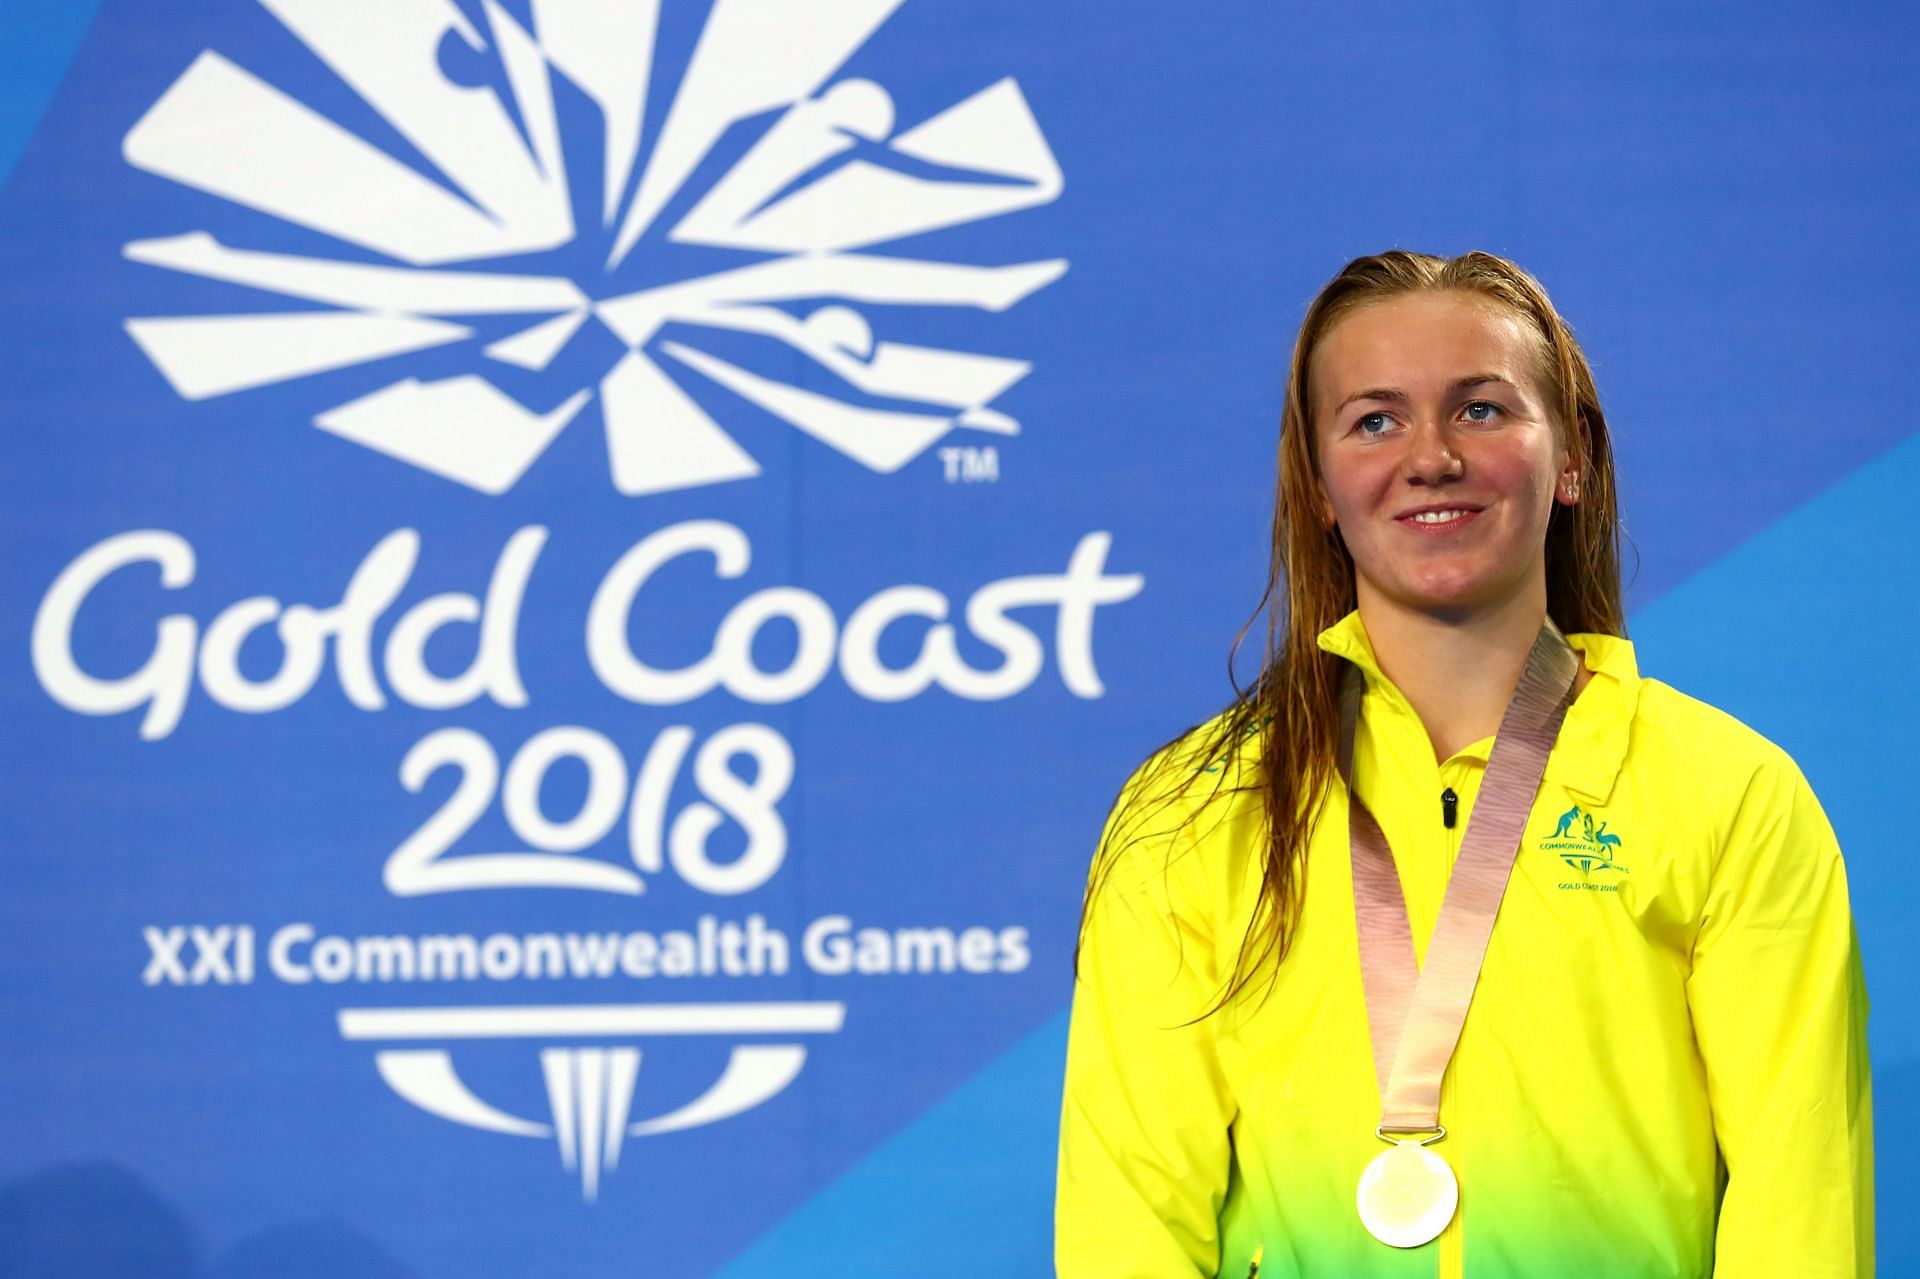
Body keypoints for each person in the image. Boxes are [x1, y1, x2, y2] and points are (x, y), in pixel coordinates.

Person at [1054, 250, 1873, 1278]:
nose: (1431, 455)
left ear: (1571, 455)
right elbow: (1128, 1222)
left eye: (1481, 410)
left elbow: (1800, 1204)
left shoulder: (1728, 793)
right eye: (1375, 420)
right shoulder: (1195, 812)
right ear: (1316, 483)